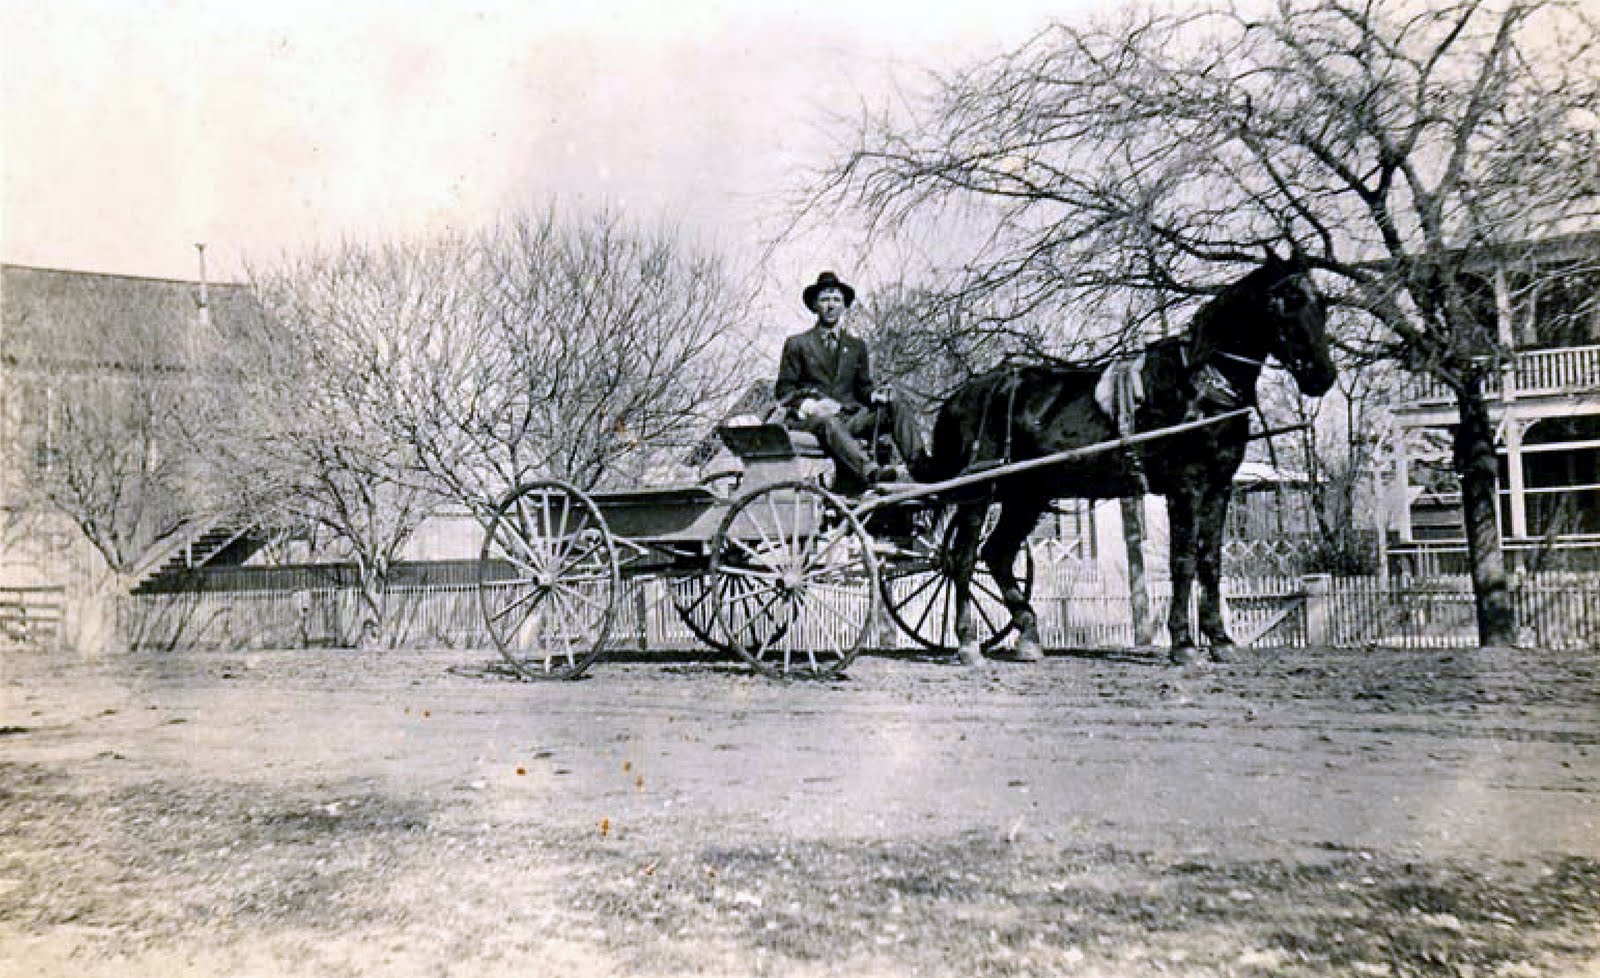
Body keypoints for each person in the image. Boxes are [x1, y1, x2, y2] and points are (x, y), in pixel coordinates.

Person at [775, 271, 925, 491]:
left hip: (849, 417)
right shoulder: (798, 344)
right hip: (812, 422)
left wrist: (874, 395)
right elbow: (784, 389)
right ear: (815, 305)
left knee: (896, 406)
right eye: (825, 299)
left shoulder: (856, 346)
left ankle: (920, 466)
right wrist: (811, 406)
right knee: (827, 421)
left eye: (836, 300)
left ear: (844, 306)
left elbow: (863, 387)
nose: (831, 305)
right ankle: (871, 472)